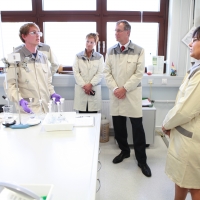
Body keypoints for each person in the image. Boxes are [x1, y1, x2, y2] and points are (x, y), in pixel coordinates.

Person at [103, 20, 151, 177]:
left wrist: (125, 88)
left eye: (118, 30)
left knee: (137, 129)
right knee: (119, 128)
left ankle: (142, 160)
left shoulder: (139, 50)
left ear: (128, 32)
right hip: (116, 95)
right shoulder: (111, 51)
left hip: (131, 94)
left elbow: (139, 74)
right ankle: (124, 151)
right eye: (115, 30)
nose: (115, 33)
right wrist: (116, 89)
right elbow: (107, 73)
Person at [162, 27, 200, 200]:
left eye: (195, 40)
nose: (190, 44)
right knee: (183, 179)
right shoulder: (196, 68)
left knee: (195, 186)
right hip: (186, 136)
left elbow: (185, 110)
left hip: (192, 141)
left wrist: (166, 124)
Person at [4, 22, 61, 114]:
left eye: (39, 32)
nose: (38, 35)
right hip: (28, 108)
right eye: (33, 32)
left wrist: (52, 93)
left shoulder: (43, 57)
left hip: (45, 108)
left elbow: (47, 81)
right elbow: (10, 85)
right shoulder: (14, 57)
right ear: (24, 36)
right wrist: (19, 100)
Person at [72, 32, 104, 113]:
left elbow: (100, 73)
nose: (89, 44)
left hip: (93, 89)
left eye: (91, 42)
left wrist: (90, 85)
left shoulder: (99, 57)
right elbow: (76, 72)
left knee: (93, 118)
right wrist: (84, 86)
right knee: (81, 118)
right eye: (87, 41)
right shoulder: (78, 56)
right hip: (82, 90)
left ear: (95, 43)